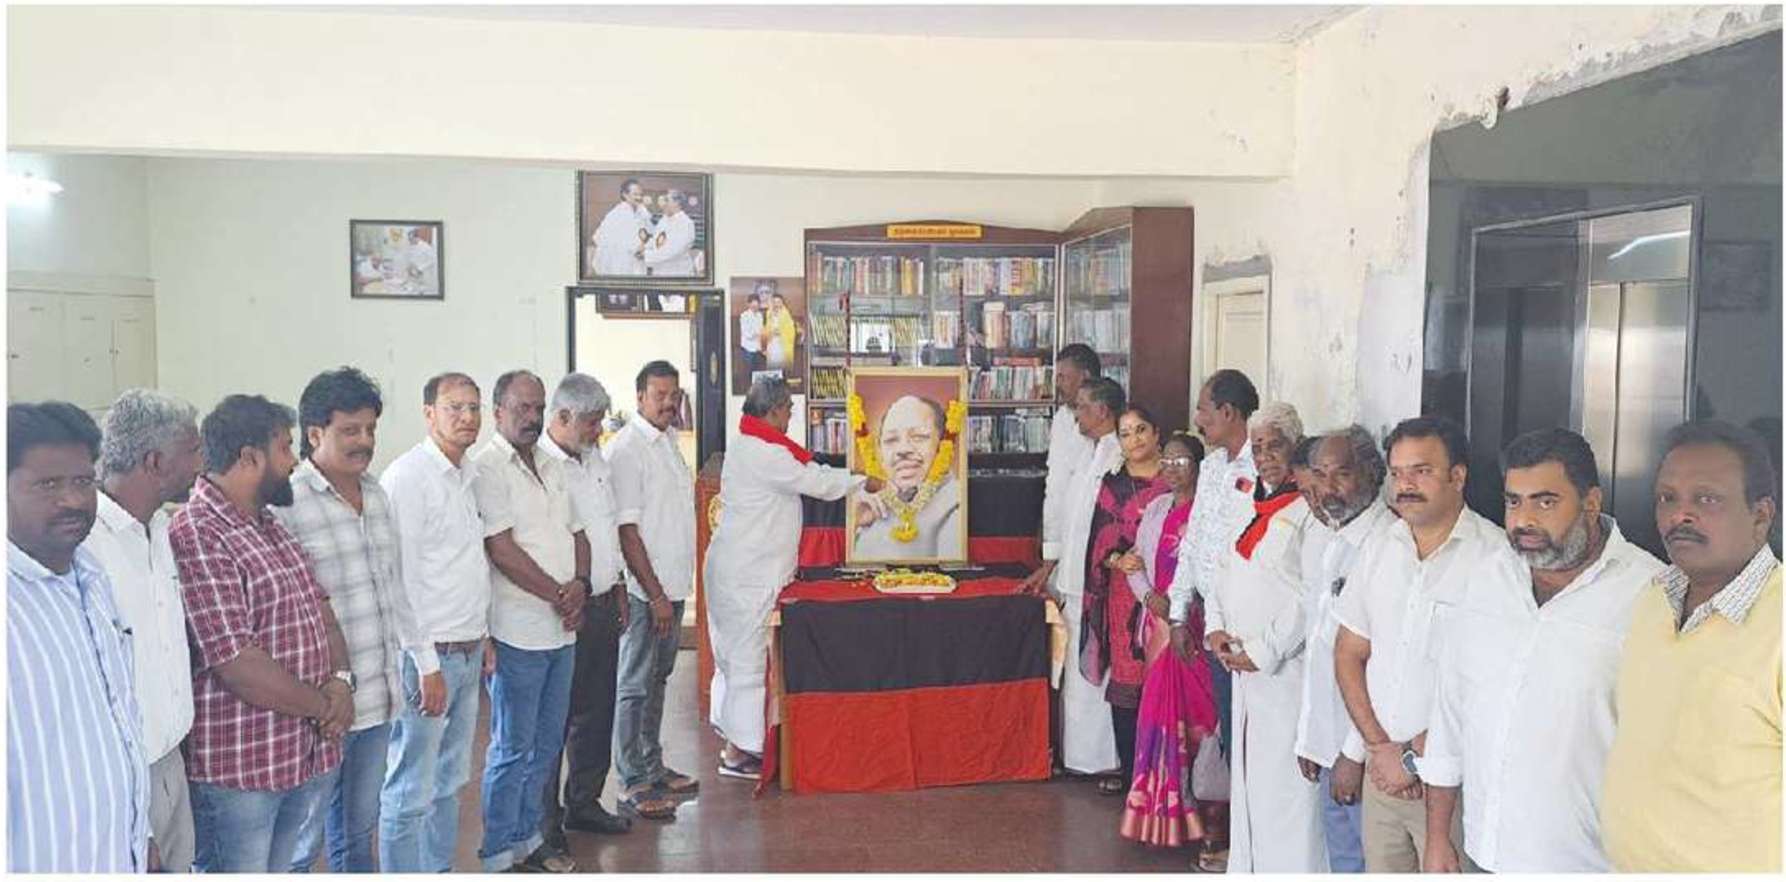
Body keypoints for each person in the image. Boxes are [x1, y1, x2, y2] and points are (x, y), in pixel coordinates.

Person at [1420, 427, 1664, 873]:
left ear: (1591, 503)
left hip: (1590, 864)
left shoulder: (1651, 594)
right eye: (1514, 501)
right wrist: (1438, 836)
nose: (1524, 520)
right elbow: (1450, 712)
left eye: (1545, 502)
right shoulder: (1486, 577)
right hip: (1484, 852)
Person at [172, 394, 353, 872]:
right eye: (285, 448)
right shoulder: (198, 533)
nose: (294, 462)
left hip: (296, 752)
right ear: (249, 457)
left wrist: (341, 681)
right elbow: (236, 663)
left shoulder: (268, 524)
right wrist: (325, 707)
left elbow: (321, 609)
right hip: (242, 770)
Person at [1601, 420, 1781, 872]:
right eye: (1667, 498)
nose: (1679, 515)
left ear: (1761, 515)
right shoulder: (1654, 599)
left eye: (1706, 499)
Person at [1333, 415, 1498, 872]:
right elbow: (1349, 652)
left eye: (1421, 471)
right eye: (1398, 472)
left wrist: (1410, 756)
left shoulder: (1496, 560)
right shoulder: (1381, 547)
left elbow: (1491, 687)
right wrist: (1377, 748)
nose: (1405, 485)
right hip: (1382, 776)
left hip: (1451, 787)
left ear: (1457, 476)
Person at [278, 368, 419, 873]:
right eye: (350, 431)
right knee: (301, 841)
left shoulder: (377, 495)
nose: (364, 441)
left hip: (377, 699)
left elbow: (394, 591)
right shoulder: (286, 502)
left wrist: (417, 662)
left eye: (370, 429)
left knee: (358, 831)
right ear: (315, 434)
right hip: (322, 706)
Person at [7, 402, 150, 873]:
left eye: (83, 481)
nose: (72, 499)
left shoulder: (91, 577)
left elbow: (119, 715)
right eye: (48, 485)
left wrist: (139, 832)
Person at [707, 377, 874, 778]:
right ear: (774, 410)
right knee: (747, 663)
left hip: (736, 568)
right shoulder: (765, 452)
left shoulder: (748, 442)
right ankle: (742, 752)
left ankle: (733, 737)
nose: (790, 418)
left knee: (731, 660)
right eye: (788, 411)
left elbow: (808, 470)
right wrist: (863, 480)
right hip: (748, 574)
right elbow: (816, 482)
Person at [471, 370, 591, 874]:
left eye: (539, 407)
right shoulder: (486, 469)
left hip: (560, 633)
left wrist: (580, 585)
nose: (533, 417)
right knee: (511, 748)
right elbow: (501, 550)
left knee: (546, 746)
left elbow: (579, 533)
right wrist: (558, 595)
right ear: (498, 411)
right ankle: (498, 852)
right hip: (517, 631)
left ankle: (529, 840)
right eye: (522, 407)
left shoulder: (551, 463)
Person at [79, 390, 202, 873]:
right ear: (154, 461)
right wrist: (135, 820)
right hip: (119, 777)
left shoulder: (160, 529)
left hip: (170, 761)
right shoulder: (86, 547)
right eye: (192, 450)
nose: (201, 465)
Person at [1200, 402, 1325, 871]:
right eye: (1258, 447)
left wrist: (1264, 649)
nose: (1266, 456)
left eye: (1276, 445)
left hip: (1286, 672)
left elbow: (1312, 596)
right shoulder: (1249, 502)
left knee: (1287, 788)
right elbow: (1222, 567)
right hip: (1241, 667)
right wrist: (1214, 625)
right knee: (1250, 778)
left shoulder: (1310, 509)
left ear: (1296, 447)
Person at [377, 372, 493, 873]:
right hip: (427, 658)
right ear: (429, 414)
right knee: (410, 787)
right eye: (454, 408)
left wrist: (483, 636)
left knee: (450, 782)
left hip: (467, 647)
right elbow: (398, 579)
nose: (467, 418)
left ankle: (438, 869)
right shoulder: (409, 478)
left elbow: (465, 565)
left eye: (474, 408)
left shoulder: (468, 474)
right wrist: (425, 663)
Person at [1166, 369, 1260, 872]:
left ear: (1228, 412)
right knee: (1226, 735)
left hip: (1250, 625)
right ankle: (1238, 840)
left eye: (1203, 409)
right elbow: (1194, 543)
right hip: (1211, 622)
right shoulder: (1214, 467)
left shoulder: (1261, 465)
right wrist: (1179, 613)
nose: (1198, 419)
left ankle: (1250, 845)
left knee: (1250, 737)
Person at [536, 373, 634, 845]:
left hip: (602, 601)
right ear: (562, 416)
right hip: (562, 607)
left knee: (597, 710)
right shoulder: (540, 465)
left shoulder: (595, 459)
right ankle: (544, 822)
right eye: (591, 422)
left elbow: (607, 528)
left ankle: (584, 802)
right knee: (555, 717)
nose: (598, 431)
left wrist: (619, 585)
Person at [1293, 426, 1395, 874]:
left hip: (1365, 753)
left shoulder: (1387, 545)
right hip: (1331, 746)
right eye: (1318, 475)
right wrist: (1311, 738)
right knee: (1344, 863)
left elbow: (1381, 666)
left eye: (1341, 474)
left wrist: (1353, 754)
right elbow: (1321, 651)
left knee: (1367, 863)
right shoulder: (1336, 538)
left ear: (1372, 474)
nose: (1327, 488)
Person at [606, 360, 700, 820]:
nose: (668, 403)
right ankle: (631, 780)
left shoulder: (668, 442)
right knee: (634, 684)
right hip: (646, 593)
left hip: (672, 584)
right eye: (659, 395)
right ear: (639, 397)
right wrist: (656, 594)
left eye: (673, 395)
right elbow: (627, 531)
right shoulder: (627, 450)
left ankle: (651, 764)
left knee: (657, 680)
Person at [1120, 431, 1222, 850]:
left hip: (1197, 627)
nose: (1172, 470)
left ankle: (1211, 816)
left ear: (1199, 467)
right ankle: (1162, 815)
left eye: (1182, 462)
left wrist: (1185, 607)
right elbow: (1133, 564)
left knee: (1204, 718)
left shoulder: (1212, 511)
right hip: (1161, 628)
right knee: (1160, 715)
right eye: (1167, 462)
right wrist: (1150, 598)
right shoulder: (1157, 509)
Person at [1029, 377, 1126, 776]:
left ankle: (1104, 761)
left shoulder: (1118, 456)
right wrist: (1052, 564)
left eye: (1083, 407)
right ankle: (1080, 758)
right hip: (1074, 578)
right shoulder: (1088, 451)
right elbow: (1071, 515)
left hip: (1100, 583)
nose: (1077, 415)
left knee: (1098, 673)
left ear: (1102, 411)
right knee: (1075, 673)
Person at [1082, 406, 1173, 793]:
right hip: (1125, 594)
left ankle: (1167, 777)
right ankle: (1132, 774)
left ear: (1156, 433)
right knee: (1127, 679)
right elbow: (1099, 541)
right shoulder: (1113, 485)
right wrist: (1118, 559)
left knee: (1167, 675)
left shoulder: (1175, 480)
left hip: (1168, 591)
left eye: (1141, 430)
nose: (1134, 440)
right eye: (1125, 433)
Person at [1023, 344, 1099, 595]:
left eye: (1063, 377)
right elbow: (1055, 485)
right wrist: (1050, 543)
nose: (1057, 384)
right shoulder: (1062, 419)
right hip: (1063, 532)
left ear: (1085, 376)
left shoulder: (1113, 425)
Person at [851, 394, 965, 560]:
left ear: (943, 444)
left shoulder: (957, 502)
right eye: (891, 439)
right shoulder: (867, 500)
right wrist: (854, 523)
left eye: (919, 437)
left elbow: (949, 570)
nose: (903, 450)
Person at [592, 177, 651, 276]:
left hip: (637, 258)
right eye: (635, 194)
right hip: (621, 260)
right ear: (625, 195)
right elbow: (599, 237)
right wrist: (638, 247)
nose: (639, 197)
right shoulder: (617, 214)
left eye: (641, 194)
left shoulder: (641, 211)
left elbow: (649, 230)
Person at [642, 189, 697, 276]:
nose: (663, 204)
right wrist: (643, 247)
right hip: (660, 271)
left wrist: (646, 255)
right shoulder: (664, 220)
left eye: (667, 200)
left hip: (678, 273)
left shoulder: (686, 223)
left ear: (677, 203)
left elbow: (672, 250)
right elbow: (656, 240)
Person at [766, 291, 799, 368]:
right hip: (772, 343)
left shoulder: (786, 314)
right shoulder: (769, 313)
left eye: (778, 302)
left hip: (782, 344)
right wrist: (770, 332)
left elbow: (791, 330)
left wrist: (781, 332)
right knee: (772, 367)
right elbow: (766, 328)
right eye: (774, 302)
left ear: (782, 303)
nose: (776, 304)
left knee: (782, 367)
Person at [738, 289, 767, 375]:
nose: (755, 306)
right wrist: (758, 332)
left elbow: (761, 330)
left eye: (757, 304)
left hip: (758, 349)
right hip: (748, 349)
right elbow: (747, 334)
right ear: (749, 304)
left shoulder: (760, 315)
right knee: (749, 372)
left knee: (758, 372)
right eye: (753, 304)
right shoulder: (744, 316)